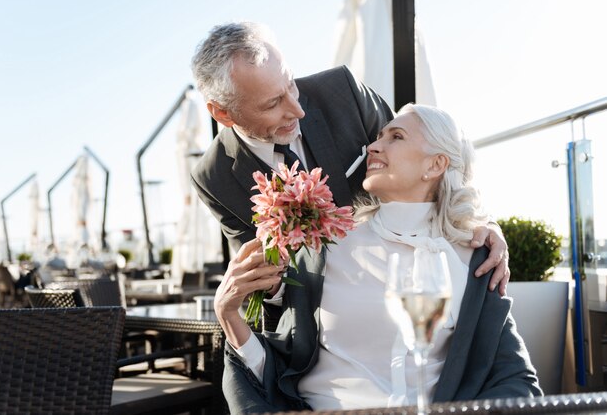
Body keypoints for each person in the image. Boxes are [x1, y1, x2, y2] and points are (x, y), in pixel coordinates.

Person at [215, 104, 542, 413]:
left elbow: (515, 379)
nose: (372, 147)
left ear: (436, 165)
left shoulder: (475, 259)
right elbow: (275, 373)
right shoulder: (324, 248)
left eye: (396, 137)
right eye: (379, 136)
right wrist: (228, 313)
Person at [189, 21, 510, 294]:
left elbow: (424, 154)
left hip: (412, 278)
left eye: (290, 84)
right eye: (273, 104)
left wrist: (482, 223)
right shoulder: (213, 177)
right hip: (323, 312)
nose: (297, 110)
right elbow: (263, 281)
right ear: (222, 113)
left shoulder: (342, 92)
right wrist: (266, 282)